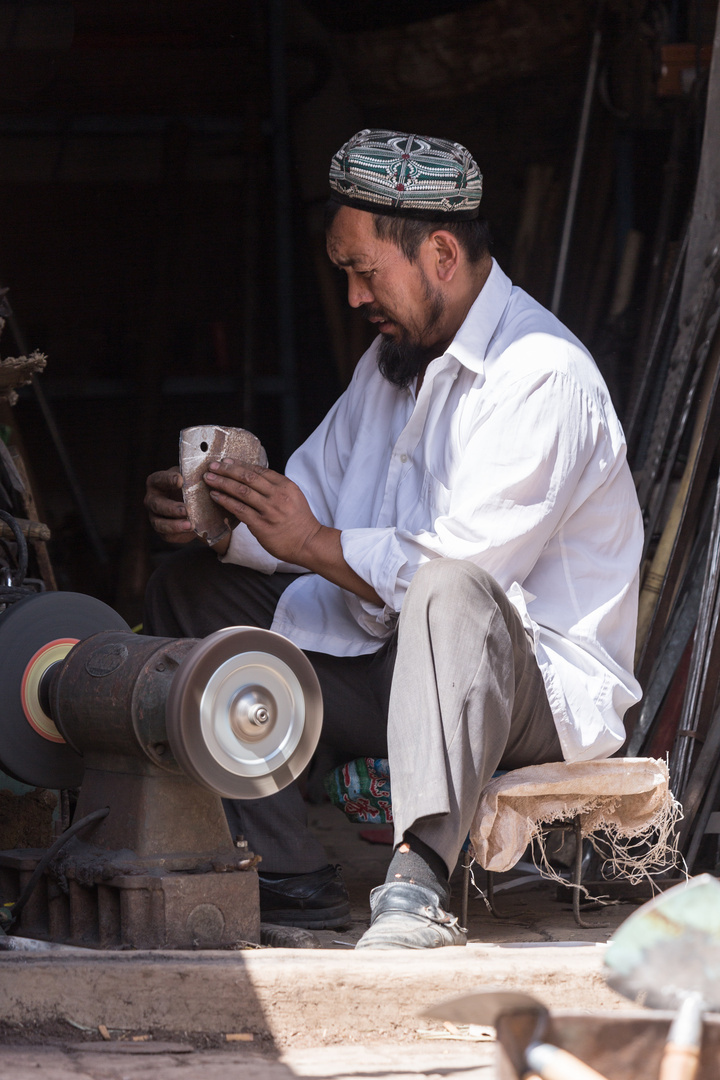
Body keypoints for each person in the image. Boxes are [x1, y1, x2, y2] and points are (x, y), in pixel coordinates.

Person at [144, 129, 643, 950]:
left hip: (526, 693)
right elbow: (311, 509)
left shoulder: (542, 375)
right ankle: (282, 870)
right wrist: (226, 518)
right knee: (191, 589)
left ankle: (419, 879)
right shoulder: (389, 362)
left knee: (449, 588)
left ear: (441, 253)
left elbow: (454, 575)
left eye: (363, 271)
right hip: (396, 659)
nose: (350, 297)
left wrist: (309, 541)